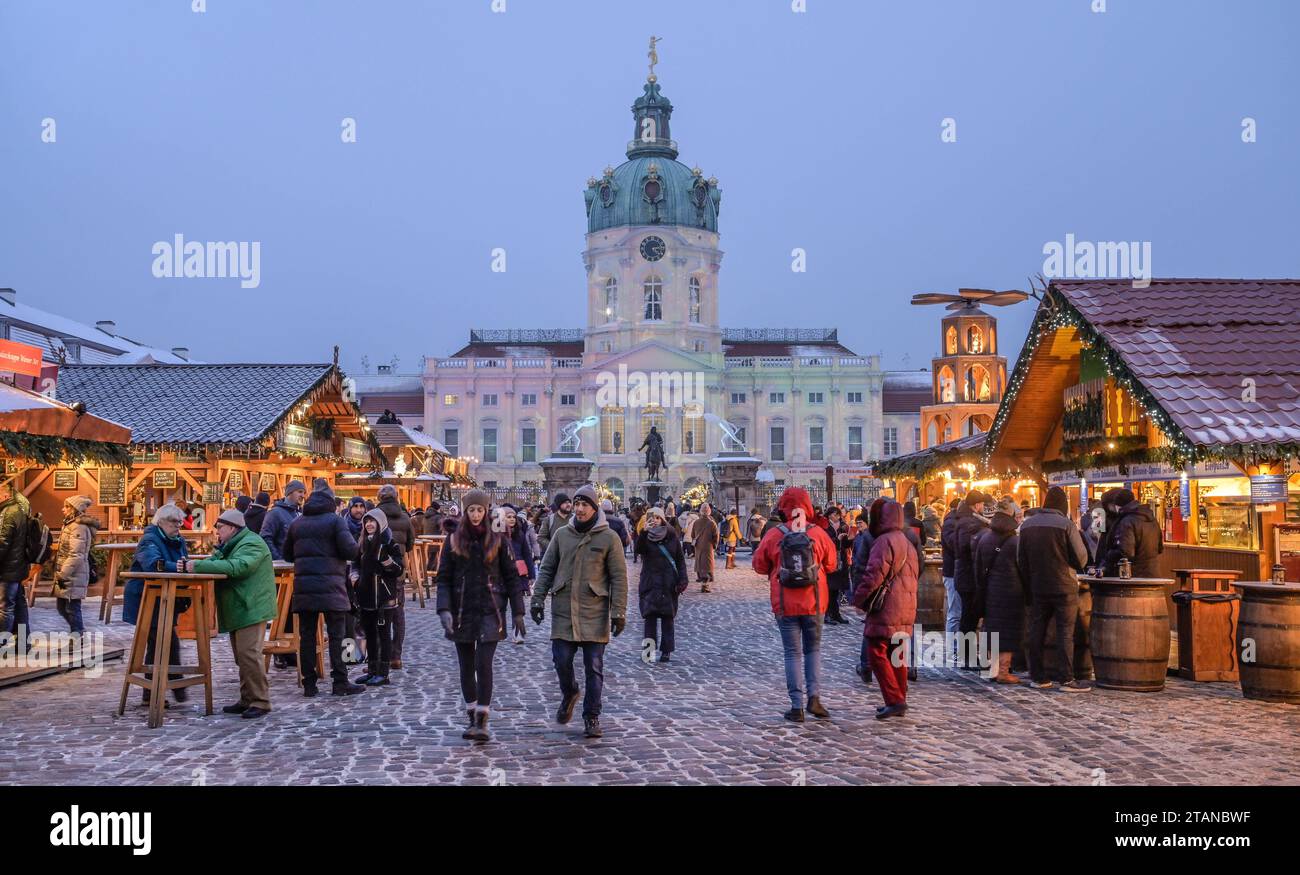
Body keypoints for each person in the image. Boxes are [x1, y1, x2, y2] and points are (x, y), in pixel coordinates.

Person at [530, 484, 627, 739]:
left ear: (595, 508)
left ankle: (591, 715)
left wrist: (618, 611)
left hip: (594, 611)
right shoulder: (562, 534)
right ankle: (570, 692)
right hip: (563, 610)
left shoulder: (609, 538)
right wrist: (537, 599)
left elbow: (618, 577)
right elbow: (547, 569)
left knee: (594, 667)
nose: (580, 509)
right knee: (561, 660)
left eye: (585, 504)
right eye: (577, 504)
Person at [437, 492, 524, 742]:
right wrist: (443, 608)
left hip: (490, 609)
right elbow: (444, 578)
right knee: (466, 666)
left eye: (479, 510)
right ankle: (472, 714)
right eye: (471, 510)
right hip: (462, 610)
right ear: (465, 511)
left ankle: (482, 720)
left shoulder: (498, 540)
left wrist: (518, 611)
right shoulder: (453, 540)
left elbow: (511, 577)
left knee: (483, 664)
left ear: (486, 511)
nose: (475, 515)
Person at [752, 487, 838, 722]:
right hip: (815, 601)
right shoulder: (818, 533)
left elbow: (759, 565)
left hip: (785, 602)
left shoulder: (775, 534)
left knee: (792, 653)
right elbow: (832, 565)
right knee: (813, 651)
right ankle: (815, 698)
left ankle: (796, 705)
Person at [186, 509, 277, 718]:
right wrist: (216, 552)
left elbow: (239, 567)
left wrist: (197, 565)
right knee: (242, 655)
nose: (217, 532)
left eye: (220, 528)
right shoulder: (233, 544)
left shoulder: (251, 543)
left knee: (249, 654)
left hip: (252, 605)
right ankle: (247, 698)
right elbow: (221, 560)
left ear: (232, 528)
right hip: (242, 604)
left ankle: (260, 701)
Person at [282, 482, 365, 697]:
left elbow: (288, 555)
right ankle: (340, 681)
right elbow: (350, 551)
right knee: (337, 634)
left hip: (305, 589)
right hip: (332, 588)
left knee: (307, 636)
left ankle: (309, 684)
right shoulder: (336, 522)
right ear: (330, 501)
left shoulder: (297, 523)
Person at [850, 498, 919, 719]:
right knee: (897, 654)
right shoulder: (907, 541)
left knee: (876, 651)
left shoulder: (884, 541)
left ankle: (894, 699)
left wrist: (859, 599)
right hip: (905, 605)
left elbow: (873, 575)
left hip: (887, 606)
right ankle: (900, 697)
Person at [1019, 485, 1091, 691]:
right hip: (1064, 586)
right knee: (1065, 633)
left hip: (1037, 585)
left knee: (1037, 630)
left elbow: (1020, 560)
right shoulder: (1066, 525)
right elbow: (1081, 558)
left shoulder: (1027, 526)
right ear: (1063, 505)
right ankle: (1066, 679)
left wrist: (1028, 585)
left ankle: (1037, 676)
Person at [124, 504, 190, 706]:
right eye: (173, 522)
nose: (178, 525)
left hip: (167, 599)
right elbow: (153, 564)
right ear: (160, 522)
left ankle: (152, 693)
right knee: (164, 641)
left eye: (179, 521)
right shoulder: (150, 539)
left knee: (160, 643)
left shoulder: (178, 540)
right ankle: (172, 687)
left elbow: (184, 562)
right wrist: (177, 566)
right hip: (147, 600)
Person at [972, 496, 1025, 684]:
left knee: (992, 628)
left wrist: (982, 588)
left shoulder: (985, 538)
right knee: (1008, 630)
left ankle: (993, 670)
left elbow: (977, 568)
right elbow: (1024, 568)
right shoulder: (1015, 542)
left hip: (990, 590)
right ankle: (1003, 671)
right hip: (1012, 592)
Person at [351, 507, 405, 687]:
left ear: (380, 523)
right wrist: (355, 577)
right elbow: (355, 564)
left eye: (372, 521)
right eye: (367, 521)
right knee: (370, 633)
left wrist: (386, 560)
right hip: (366, 596)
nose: (369, 524)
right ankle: (372, 669)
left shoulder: (389, 543)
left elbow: (398, 569)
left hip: (384, 597)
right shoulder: (363, 542)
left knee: (383, 634)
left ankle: (383, 673)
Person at [635, 506, 688, 663]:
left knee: (667, 619)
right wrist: (643, 532)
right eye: (653, 518)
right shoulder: (646, 536)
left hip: (668, 583)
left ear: (663, 519)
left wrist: (683, 579)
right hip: (650, 583)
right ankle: (649, 651)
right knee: (649, 619)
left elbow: (680, 560)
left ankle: (666, 651)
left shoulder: (672, 537)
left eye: (658, 518)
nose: (656, 521)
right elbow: (639, 550)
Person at [375, 484, 413, 670]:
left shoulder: (374, 515)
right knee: (398, 613)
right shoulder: (405, 518)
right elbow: (411, 544)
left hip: (376, 573)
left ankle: (381, 654)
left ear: (379, 497)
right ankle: (396, 656)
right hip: (397, 572)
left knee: (377, 613)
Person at [952, 490, 991, 667]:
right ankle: (966, 657)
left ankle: (966, 656)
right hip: (969, 576)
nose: (983, 507)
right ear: (976, 505)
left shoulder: (965, 521)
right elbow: (968, 548)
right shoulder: (971, 524)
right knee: (969, 618)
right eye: (982, 504)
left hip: (965, 575)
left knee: (969, 617)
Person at [52, 496, 99, 639]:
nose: (63, 509)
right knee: (62, 607)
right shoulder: (70, 524)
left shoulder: (78, 526)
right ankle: (79, 632)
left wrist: (63, 574)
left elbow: (76, 554)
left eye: (66, 507)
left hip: (73, 574)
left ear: (74, 509)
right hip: (67, 573)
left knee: (72, 608)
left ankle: (77, 637)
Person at [0, 479, 33, 644]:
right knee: (18, 605)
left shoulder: (8, 512)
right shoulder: (18, 510)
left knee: (5, 608)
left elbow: (3, 542)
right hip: (18, 566)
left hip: (8, 568)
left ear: (5, 494)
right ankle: (23, 642)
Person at [1104, 489, 1162, 577]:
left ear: (1118, 506)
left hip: (1134, 575)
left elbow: (1126, 552)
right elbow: (1160, 548)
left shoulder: (1127, 521)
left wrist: (1109, 554)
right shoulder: (1152, 519)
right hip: (1153, 573)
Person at [503, 504, 535, 642]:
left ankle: (517, 633)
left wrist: (532, 574)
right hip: (501, 575)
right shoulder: (496, 535)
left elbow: (527, 554)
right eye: (508, 517)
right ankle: (500, 630)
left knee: (518, 605)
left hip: (518, 574)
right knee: (500, 605)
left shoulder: (519, 535)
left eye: (513, 517)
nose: (511, 520)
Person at [260, 480, 305, 560]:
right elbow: (265, 538)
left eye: (304, 493)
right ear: (289, 493)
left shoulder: (302, 513)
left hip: (299, 565)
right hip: (283, 567)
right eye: (300, 492)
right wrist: (278, 559)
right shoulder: (275, 513)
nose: (303, 495)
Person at [822, 506, 852, 625]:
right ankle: (828, 614)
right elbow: (825, 542)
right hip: (830, 560)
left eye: (838, 515)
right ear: (829, 515)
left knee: (837, 590)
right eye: (835, 514)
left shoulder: (843, 525)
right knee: (829, 589)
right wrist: (837, 540)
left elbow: (846, 545)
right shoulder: (824, 526)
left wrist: (850, 539)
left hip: (841, 560)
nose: (837, 517)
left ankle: (836, 613)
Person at [692, 502, 719, 591]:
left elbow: (693, 535)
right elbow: (716, 536)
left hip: (698, 546)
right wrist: (715, 545)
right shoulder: (712, 523)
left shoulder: (696, 522)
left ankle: (702, 580)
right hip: (708, 546)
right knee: (707, 564)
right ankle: (705, 585)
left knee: (700, 562)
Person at [537, 492, 571, 557]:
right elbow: (541, 537)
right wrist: (552, 547)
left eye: (569, 502)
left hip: (571, 556)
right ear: (559, 505)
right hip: (554, 557)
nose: (568, 504)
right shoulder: (549, 520)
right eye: (565, 503)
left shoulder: (575, 519)